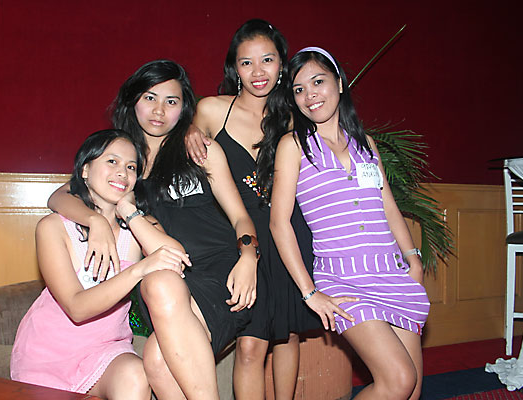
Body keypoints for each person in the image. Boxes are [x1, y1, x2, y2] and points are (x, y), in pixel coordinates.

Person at [47, 60, 260, 400]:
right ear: (133, 101)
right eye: (150, 98)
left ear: (184, 108)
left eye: (171, 101)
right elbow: (59, 196)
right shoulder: (121, 160)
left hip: (221, 273)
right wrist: (96, 220)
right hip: (165, 282)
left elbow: (240, 218)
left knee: (158, 344)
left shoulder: (199, 150)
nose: (159, 110)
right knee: (156, 357)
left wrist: (248, 257)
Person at [268, 47, 430, 400]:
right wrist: (310, 292)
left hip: (392, 274)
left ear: (339, 83)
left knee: (412, 390)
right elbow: (279, 223)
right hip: (344, 280)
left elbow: (388, 206)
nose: (310, 95)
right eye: (299, 89)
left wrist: (413, 259)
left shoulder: (365, 144)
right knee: (399, 380)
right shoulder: (293, 146)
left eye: (318, 82)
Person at [185, 19, 320, 400]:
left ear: (281, 65)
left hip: (287, 231)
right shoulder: (212, 109)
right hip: (240, 237)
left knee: (287, 336)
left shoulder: (293, 116)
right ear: (235, 68)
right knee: (249, 344)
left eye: (267, 60)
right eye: (247, 63)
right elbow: (186, 143)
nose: (258, 72)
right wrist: (189, 131)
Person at [11, 129, 189, 400]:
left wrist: (128, 211)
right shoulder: (54, 227)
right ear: (85, 170)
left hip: (107, 350)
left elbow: (176, 258)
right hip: (47, 354)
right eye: (112, 161)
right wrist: (138, 269)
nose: (122, 173)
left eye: (131, 167)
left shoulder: (137, 227)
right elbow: (77, 308)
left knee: (136, 375)